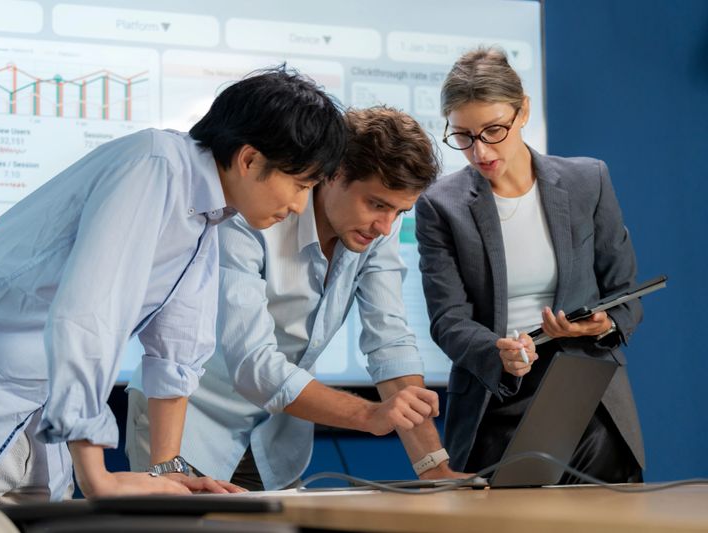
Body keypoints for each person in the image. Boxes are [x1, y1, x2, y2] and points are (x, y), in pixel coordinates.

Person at [0, 67, 346, 503]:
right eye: (300, 185)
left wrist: (167, 469)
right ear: (250, 160)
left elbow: (177, 348)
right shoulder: (155, 166)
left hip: (34, 400)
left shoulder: (206, 211)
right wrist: (97, 477)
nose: (299, 206)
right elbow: (87, 318)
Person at [126, 106, 468, 490]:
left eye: (399, 211)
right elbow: (253, 364)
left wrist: (433, 465)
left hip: (274, 439)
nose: (386, 226)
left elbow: (390, 341)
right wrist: (368, 415)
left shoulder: (377, 231)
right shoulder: (250, 215)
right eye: (376, 204)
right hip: (188, 425)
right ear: (333, 173)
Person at [415, 48, 644, 483]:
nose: (479, 151)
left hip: (587, 391)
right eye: (463, 136)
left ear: (523, 111)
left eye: (493, 130)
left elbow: (625, 292)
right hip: (497, 395)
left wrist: (604, 323)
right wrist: (496, 351)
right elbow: (448, 320)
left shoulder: (588, 181)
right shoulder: (439, 206)